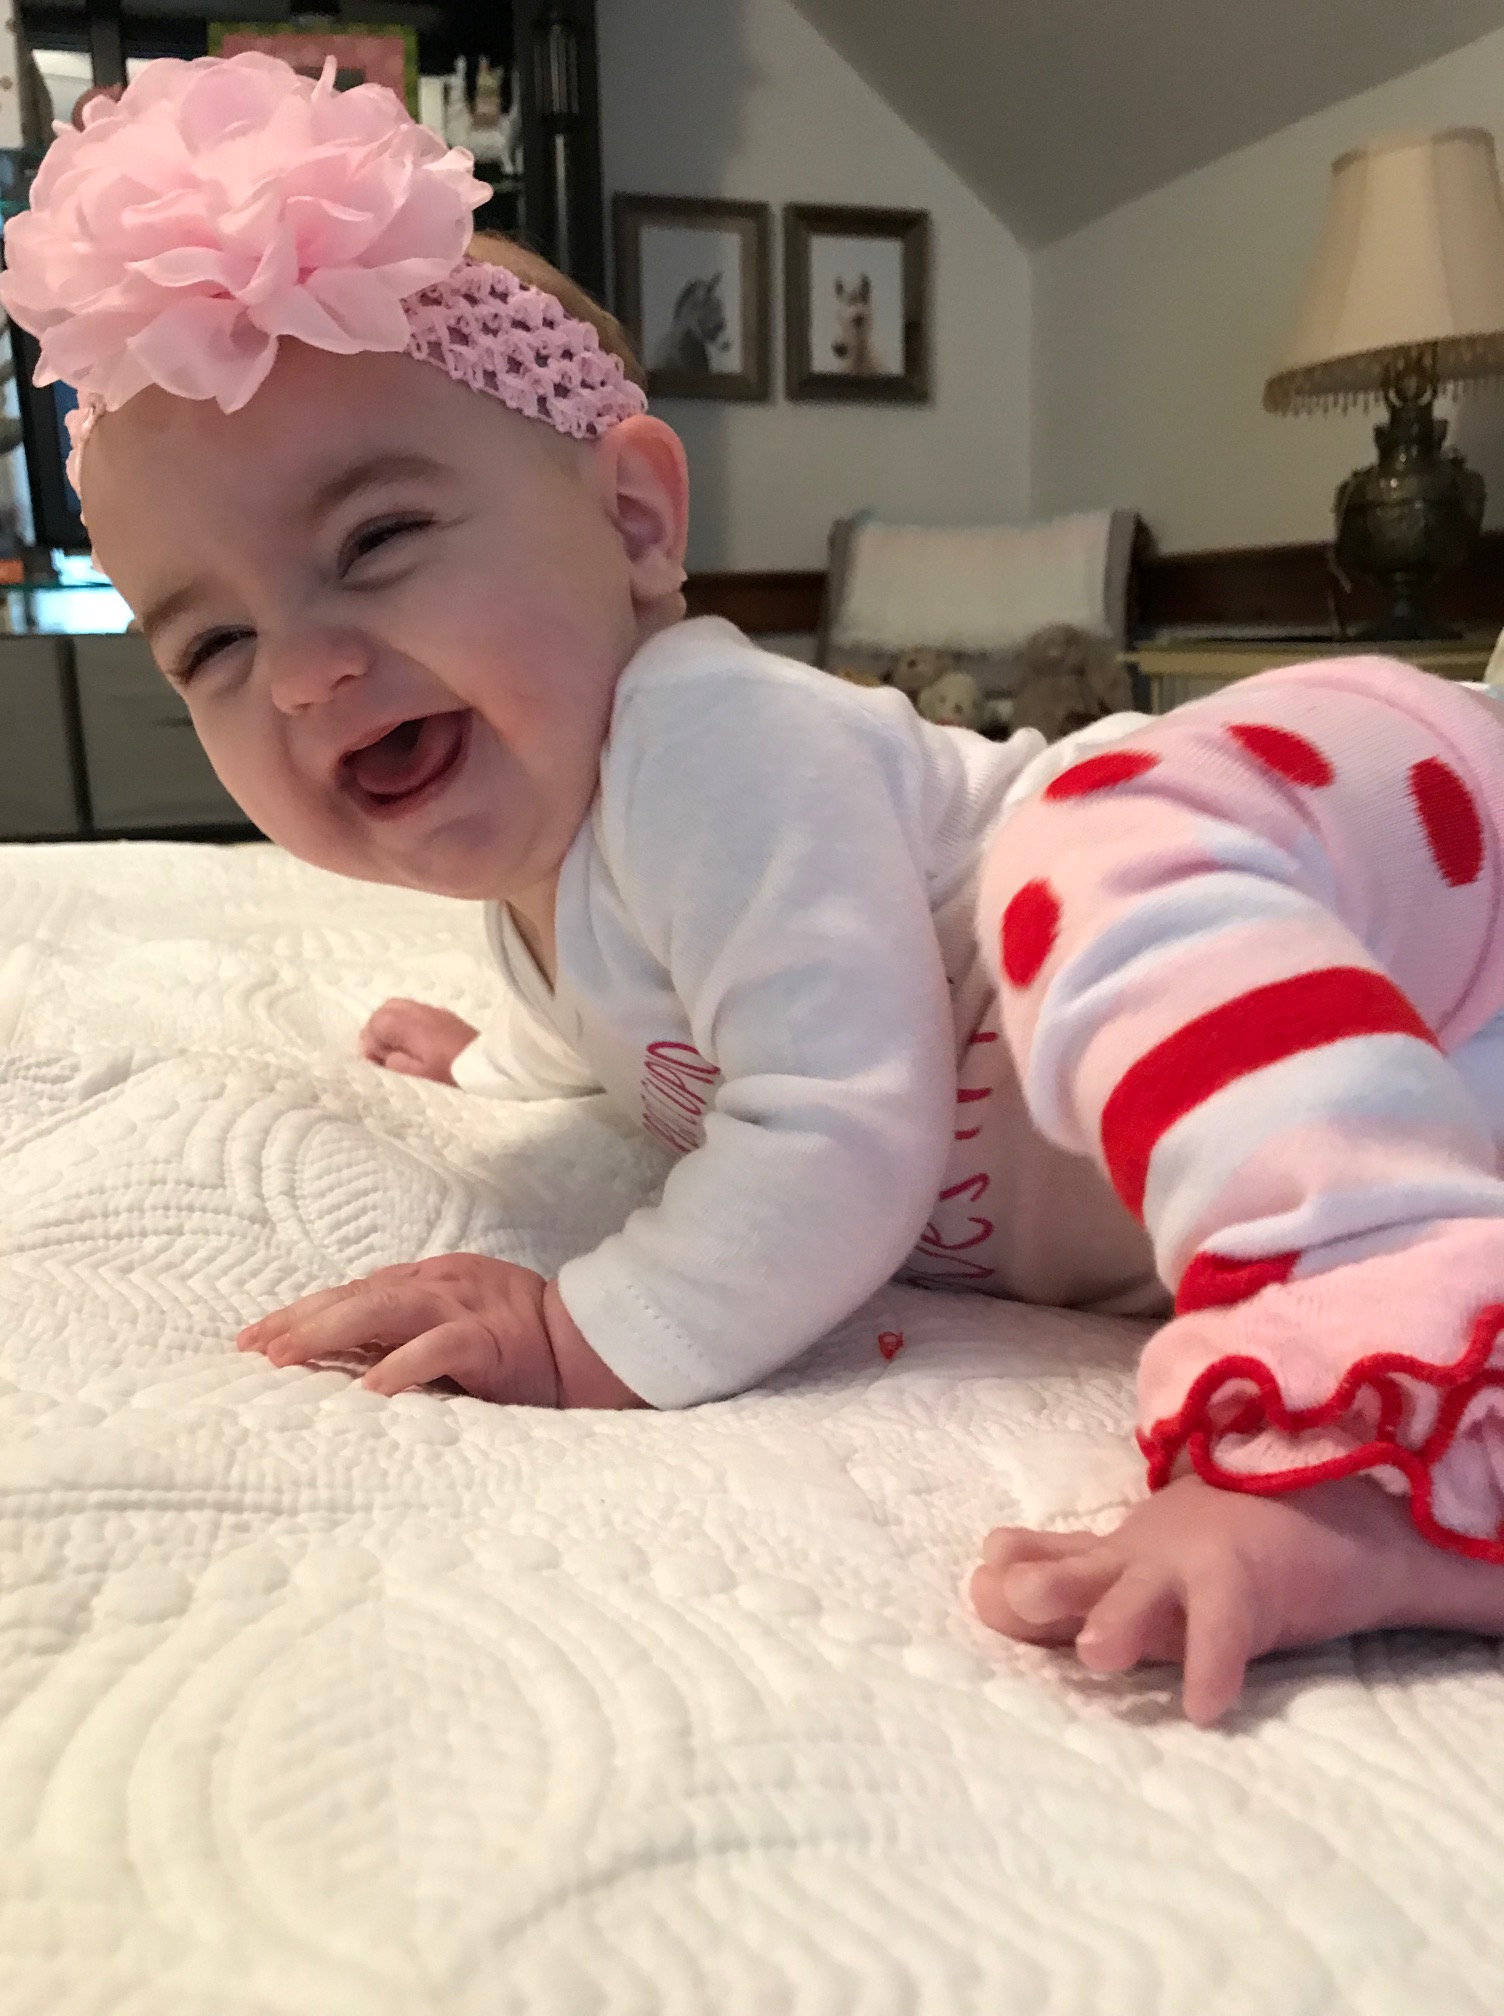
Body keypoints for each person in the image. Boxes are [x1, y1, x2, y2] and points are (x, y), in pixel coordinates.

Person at [9, 52, 1504, 1729]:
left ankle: (1379, 1427)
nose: (303, 671)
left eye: (373, 542)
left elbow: (835, 1117)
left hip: (1381, 873)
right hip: (1416, 1067)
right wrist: (488, 1061)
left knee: (1097, 831)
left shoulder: (705, 733)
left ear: (635, 518)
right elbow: (633, 1022)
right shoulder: (542, 881)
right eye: (214, 642)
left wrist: (586, 1331)